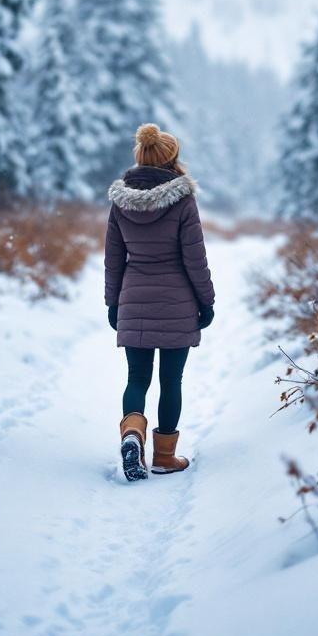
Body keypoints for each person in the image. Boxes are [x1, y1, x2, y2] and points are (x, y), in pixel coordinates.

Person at [105, 122, 215, 482]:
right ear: (172, 159)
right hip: (177, 303)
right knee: (171, 380)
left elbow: (114, 258)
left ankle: (131, 435)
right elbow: (195, 259)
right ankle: (165, 458)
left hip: (133, 299)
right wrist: (206, 301)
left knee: (137, 377)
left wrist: (113, 303)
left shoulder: (120, 201)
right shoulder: (183, 201)